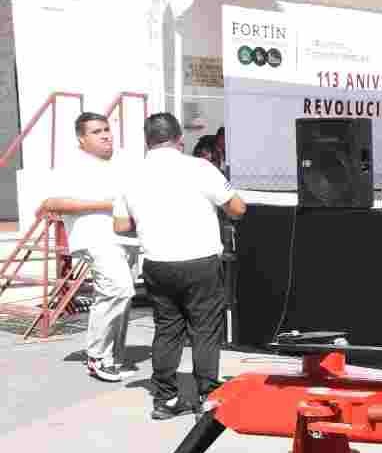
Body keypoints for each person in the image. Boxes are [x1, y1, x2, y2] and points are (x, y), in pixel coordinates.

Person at [113, 112, 246, 419]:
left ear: (147, 141)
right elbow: (238, 208)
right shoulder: (200, 167)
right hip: (200, 261)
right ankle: (208, 397)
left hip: (157, 263)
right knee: (205, 329)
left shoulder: (130, 175)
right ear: (179, 140)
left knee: (167, 329)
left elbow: (120, 226)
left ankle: (165, 399)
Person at [36, 112, 138, 382]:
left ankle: (113, 358)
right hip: (95, 237)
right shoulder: (72, 166)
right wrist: (107, 204)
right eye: (96, 132)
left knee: (123, 297)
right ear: (82, 139)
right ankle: (96, 356)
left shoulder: (123, 160)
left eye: (106, 129)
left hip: (128, 238)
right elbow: (51, 203)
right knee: (119, 288)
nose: (105, 135)